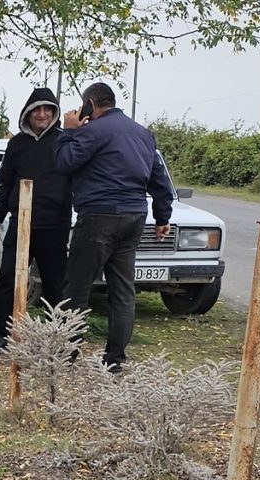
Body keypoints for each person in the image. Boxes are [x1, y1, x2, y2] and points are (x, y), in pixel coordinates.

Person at [52, 81, 174, 373]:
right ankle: (115, 359)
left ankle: (67, 354)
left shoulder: (91, 131)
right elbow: (160, 181)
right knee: (122, 290)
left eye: (84, 106)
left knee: (77, 287)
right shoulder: (143, 134)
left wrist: (69, 131)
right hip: (134, 216)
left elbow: (63, 162)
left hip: (98, 216)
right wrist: (163, 218)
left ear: (90, 104)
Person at [0, 87, 73, 353]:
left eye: (48, 109)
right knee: (8, 280)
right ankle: (4, 334)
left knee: (55, 283)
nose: (42, 114)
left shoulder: (63, 141)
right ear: (28, 112)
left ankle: (55, 338)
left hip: (54, 225)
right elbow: (5, 185)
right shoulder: (16, 144)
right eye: (37, 109)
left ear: (55, 113)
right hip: (20, 223)